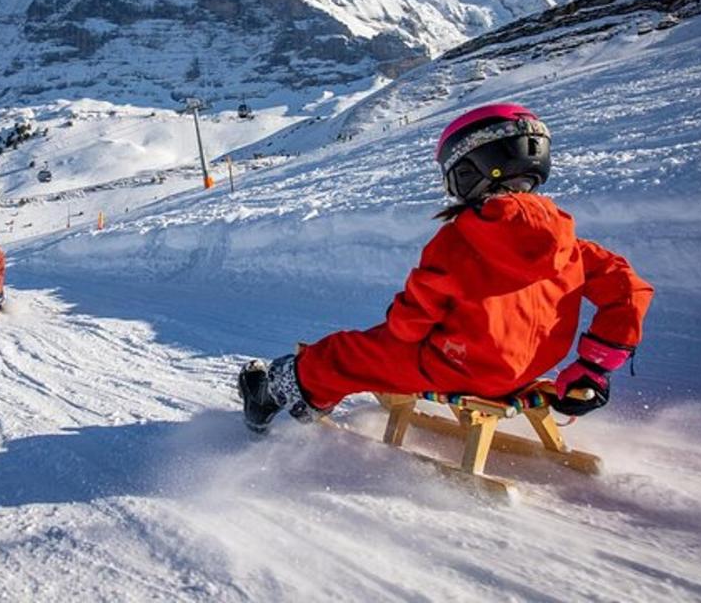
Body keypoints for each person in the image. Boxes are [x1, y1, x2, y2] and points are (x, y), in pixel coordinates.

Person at [238, 103, 654, 432]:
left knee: (342, 353)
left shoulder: (459, 240)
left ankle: (273, 396)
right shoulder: (574, 246)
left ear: (468, 169)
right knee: (368, 349)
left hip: (457, 368)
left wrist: (396, 324)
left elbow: (409, 326)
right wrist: (593, 368)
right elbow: (630, 291)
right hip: (528, 370)